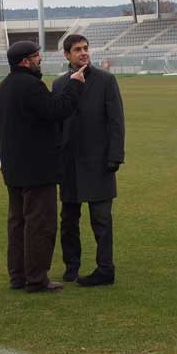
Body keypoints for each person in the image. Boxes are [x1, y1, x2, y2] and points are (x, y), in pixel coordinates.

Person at [0, 40, 86, 293]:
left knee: (17, 224)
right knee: (40, 224)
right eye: (36, 56)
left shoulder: (2, 89)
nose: (40, 60)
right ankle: (36, 278)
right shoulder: (31, 86)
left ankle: (18, 276)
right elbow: (57, 110)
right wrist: (75, 85)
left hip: (13, 169)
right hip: (37, 170)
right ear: (26, 61)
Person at [52, 34, 125, 287]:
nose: (83, 53)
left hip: (99, 162)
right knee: (69, 219)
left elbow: (116, 120)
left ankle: (105, 269)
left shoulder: (106, 80)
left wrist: (115, 156)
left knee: (101, 219)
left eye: (85, 48)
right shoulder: (59, 84)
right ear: (67, 55)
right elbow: (56, 125)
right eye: (77, 49)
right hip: (69, 163)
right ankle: (72, 266)